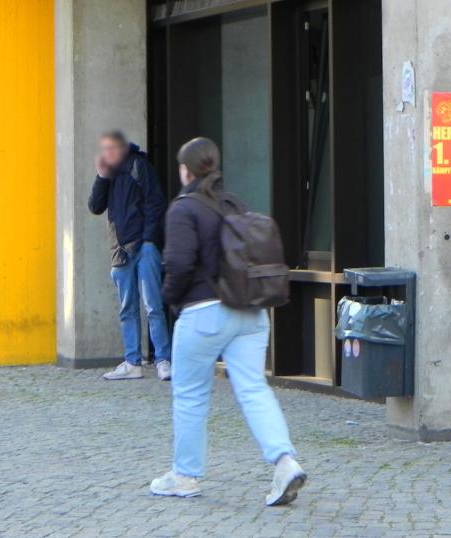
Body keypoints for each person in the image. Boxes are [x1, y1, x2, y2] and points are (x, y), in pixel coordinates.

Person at [149, 137, 306, 506]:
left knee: (190, 395)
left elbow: (180, 265)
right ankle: (285, 462)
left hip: (204, 312)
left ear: (185, 169)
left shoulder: (183, 209)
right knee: (253, 389)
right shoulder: (234, 203)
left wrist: (171, 300)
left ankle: (185, 476)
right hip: (250, 312)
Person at [88, 130, 171, 381]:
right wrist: (101, 176)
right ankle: (132, 362)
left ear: (123, 148)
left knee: (153, 306)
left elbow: (155, 204)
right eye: (104, 149)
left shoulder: (139, 166)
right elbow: (95, 206)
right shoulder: (108, 175)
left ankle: (163, 361)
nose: (107, 154)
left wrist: (147, 241)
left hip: (144, 248)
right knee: (127, 308)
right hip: (120, 251)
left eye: (111, 148)